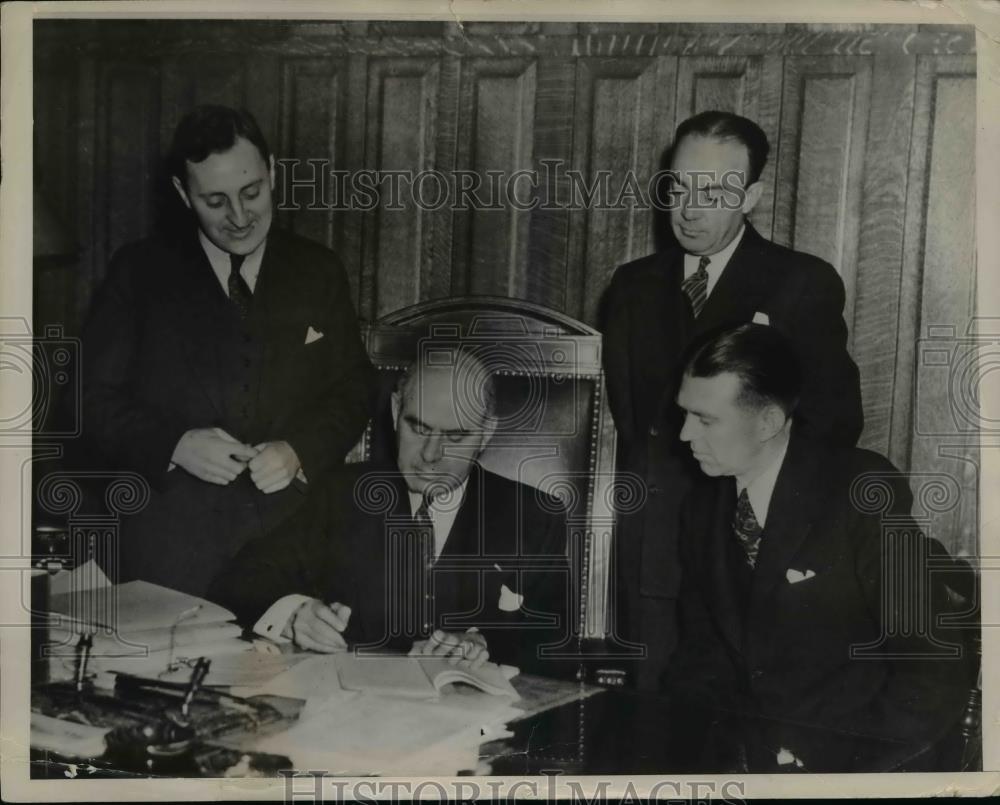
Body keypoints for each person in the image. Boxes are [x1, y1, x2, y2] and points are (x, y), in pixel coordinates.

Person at [600, 110, 864, 688]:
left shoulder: (800, 283)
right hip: (656, 560)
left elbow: (835, 425)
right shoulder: (632, 287)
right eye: (680, 186)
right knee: (656, 734)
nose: (690, 209)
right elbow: (630, 423)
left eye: (715, 191)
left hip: (750, 559)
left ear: (751, 197)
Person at [80, 106, 376, 596]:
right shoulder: (139, 272)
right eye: (215, 201)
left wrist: (299, 448)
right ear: (182, 194)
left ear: (273, 173)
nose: (239, 218)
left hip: (293, 550)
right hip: (167, 553)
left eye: (252, 193)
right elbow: (86, 401)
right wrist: (174, 444)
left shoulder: (318, 271)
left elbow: (355, 385)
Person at [663, 324, 965, 771]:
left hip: (864, 759)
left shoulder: (859, 490)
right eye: (685, 414)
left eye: (705, 419)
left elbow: (931, 664)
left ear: (767, 421)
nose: (685, 434)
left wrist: (836, 764)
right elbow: (700, 657)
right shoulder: (702, 506)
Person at [208, 347, 573, 675]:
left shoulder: (533, 517)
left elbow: (557, 638)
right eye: (418, 427)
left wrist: (485, 644)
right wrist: (294, 614)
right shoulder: (343, 494)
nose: (431, 455)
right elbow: (240, 579)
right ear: (396, 411)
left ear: (486, 433)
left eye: (456, 436)